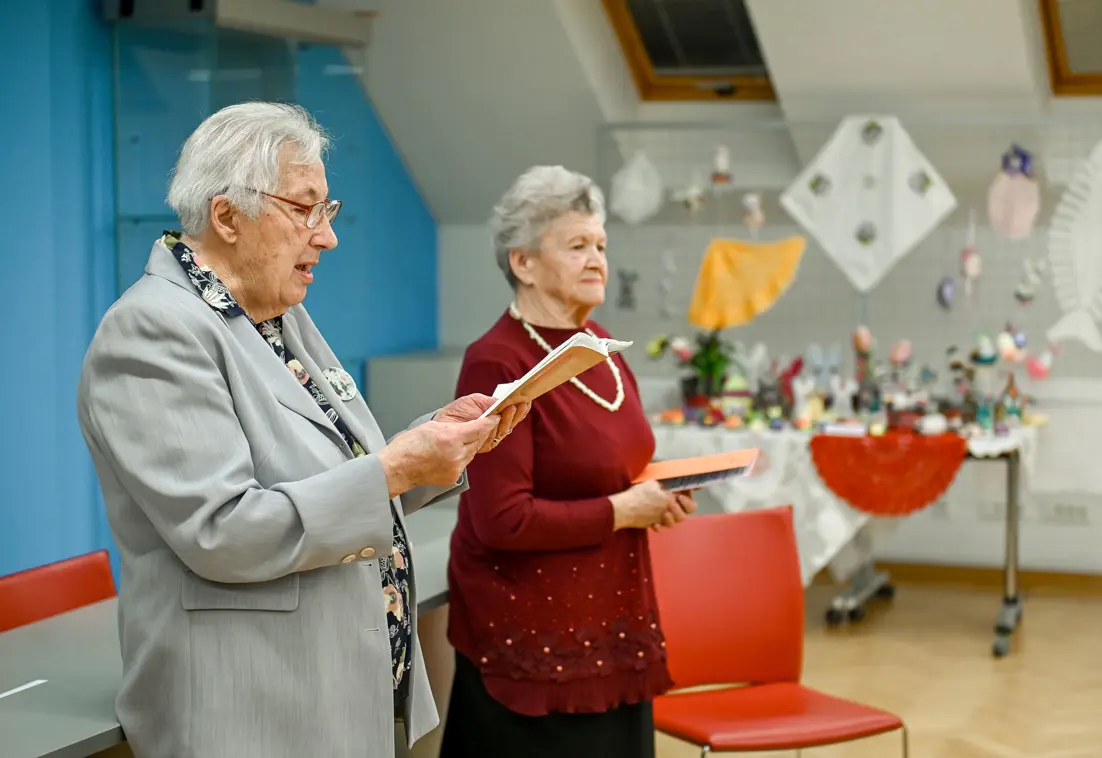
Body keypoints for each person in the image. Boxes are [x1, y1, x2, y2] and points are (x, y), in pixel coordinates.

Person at [76, 102, 529, 758]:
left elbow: (337, 475)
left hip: (336, 693)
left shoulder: (270, 314)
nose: (327, 236)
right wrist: (398, 467)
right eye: (304, 209)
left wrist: (435, 439)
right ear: (228, 215)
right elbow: (223, 531)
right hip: (254, 710)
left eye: (328, 210)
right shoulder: (153, 330)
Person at [438, 165, 697, 758]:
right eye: (577, 245)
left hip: (612, 616)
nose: (596, 258)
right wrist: (624, 510)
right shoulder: (497, 363)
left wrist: (656, 494)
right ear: (522, 263)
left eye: (601, 244)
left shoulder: (600, 346)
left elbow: (614, 466)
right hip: (533, 637)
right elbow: (501, 520)